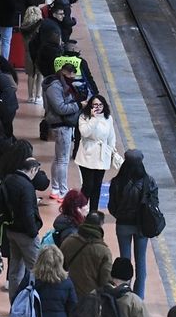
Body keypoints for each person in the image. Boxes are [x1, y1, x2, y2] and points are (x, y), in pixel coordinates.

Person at [108, 150, 159, 298]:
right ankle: (138, 299)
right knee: (141, 263)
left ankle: (125, 296)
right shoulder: (149, 181)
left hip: (123, 226)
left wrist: (120, 215)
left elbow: (112, 207)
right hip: (142, 226)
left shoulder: (117, 182)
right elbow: (154, 203)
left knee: (125, 261)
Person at [0, 158, 44, 298]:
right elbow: (27, 212)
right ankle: (34, 306)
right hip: (26, 233)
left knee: (15, 270)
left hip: (10, 230)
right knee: (37, 269)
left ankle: (15, 305)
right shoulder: (27, 186)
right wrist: (33, 232)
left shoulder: (8, 180)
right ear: (32, 170)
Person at [44, 63, 82, 199]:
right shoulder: (55, 87)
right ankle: (63, 191)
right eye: (71, 77)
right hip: (61, 125)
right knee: (63, 160)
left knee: (58, 158)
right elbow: (60, 108)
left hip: (60, 125)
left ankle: (55, 189)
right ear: (66, 74)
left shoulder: (58, 84)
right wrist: (78, 105)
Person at [75, 95, 118, 211]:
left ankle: (93, 211)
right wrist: (94, 119)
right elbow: (85, 133)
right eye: (95, 105)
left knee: (97, 185)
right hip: (87, 155)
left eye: (100, 105)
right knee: (88, 185)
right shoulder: (84, 117)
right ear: (90, 106)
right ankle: (80, 208)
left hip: (102, 155)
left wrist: (111, 149)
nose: (98, 107)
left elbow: (111, 136)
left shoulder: (108, 118)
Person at [60, 212, 113, 300]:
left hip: (69, 294)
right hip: (91, 299)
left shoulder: (68, 241)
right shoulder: (104, 251)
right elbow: (105, 281)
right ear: (101, 224)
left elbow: (60, 267)